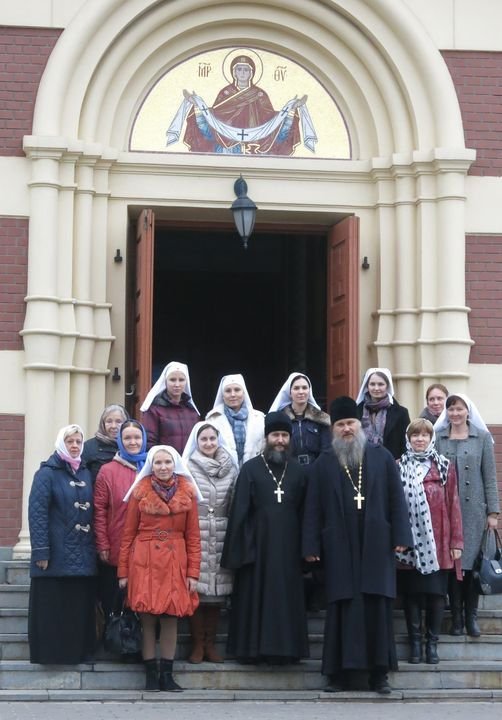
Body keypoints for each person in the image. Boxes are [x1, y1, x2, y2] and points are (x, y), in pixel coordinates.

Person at [303, 396, 412, 694]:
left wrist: (401, 536)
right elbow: (313, 507)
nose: (346, 429)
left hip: (377, 543)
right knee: (342, 606)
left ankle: (379, 676)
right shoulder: (323, 463)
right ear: (333, 429)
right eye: (340, 425)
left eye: (350, 423)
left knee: (377, 605)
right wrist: (310, 544)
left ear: (359, 424)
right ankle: (338, 676)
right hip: (339, 544)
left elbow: (396, 499)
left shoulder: (381, 457)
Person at [221, 411, 309, 664]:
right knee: (254, 597)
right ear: (267, 438)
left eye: (284, 435)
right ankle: (252, 651)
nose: (280, 440)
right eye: (275, 435)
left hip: (289, 547)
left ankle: (287, 652)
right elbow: (239, 511)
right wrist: (241, 548)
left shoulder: (299, 471)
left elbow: (306, 511)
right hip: (257, 547)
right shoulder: (251, 468)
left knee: (286, 598)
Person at [117, 445, 201, 692]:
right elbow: (128, 534)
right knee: (148, 619)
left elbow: (193, 537)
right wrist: (123, 572)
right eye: (158, 463)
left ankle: (167, 675)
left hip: (175, 561)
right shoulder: (139, 493)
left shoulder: (187, 493)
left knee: (170, 619)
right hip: (144, 561)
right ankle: (151, 676)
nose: (163, 467)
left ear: (175, 464)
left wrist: (193, 572)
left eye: (167, 462)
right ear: (151, 466)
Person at [28, 424, 97, 664]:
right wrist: (41, 551)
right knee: (53, 609)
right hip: (54, 554)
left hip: (82, 554)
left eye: (78, 441)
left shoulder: (86, 473)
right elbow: (37, 514)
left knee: (75, 608)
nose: (75, 446)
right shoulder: (46, 473)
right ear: (61, 443)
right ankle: (52, 656)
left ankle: (75, 654)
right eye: (70, 441)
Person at [396, 418, 463, 665]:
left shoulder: (444, 466)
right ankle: (415, 644)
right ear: (408, 439)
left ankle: (431, 644)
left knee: (436, 595)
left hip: (439, 543)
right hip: (409, 544)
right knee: (411, 595)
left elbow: (454, 504)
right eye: (415, 435)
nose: (420, 439)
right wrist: (397, 538)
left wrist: (456, 542)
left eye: (425, 435)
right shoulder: (398, 466)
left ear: (431, 438)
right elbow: (394, 506)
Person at [435, 394, 499, 637]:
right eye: (451, 409)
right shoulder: (438, 438)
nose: (455, 413)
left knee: (472, 564)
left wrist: (492, 512)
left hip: (474, 513)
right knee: (453, 565)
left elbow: (490, 477)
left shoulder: (481, 437)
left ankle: (471, 617)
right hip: (446, 511)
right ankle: (457, 618)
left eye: (459, 409)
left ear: (468, 411)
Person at [182, 421, 239, 663]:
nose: (208, 443)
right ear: (196, 442)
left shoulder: (231, 468)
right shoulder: (187, 466)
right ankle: (197, 644)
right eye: (203, 439)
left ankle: (210, 644)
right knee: (198, 591)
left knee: (217, 593)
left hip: (223, 532)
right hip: (198, 530)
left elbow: (235, 500)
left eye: (212, 438)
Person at [179, 54, 306, 156]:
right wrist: (198, 106)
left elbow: (273, 125)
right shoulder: (225, 94)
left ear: (251, 73)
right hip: (227, 149)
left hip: (255, 149)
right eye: (239, 69)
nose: (243, 73)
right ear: (234, 72)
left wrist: (290, 110)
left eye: (246, 70)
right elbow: (212, 125)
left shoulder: (260, 95)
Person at [93, 419, 148, 653]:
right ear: (120, 441)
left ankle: (141, 647)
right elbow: (99, 510)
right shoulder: (107, 471)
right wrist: (103, 543)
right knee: (116, 599)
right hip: (117, 545)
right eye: (127, 438)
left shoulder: (152, 466)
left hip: (148, 547)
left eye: (137, 437)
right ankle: (118, 645)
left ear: (144, 439)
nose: (133, 442)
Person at [269, 372, 331, 466]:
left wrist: (316, 468)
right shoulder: (280, 418)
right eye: (296, 388)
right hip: (288, 469)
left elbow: (326, 449)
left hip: (316, 469)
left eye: (304, 388)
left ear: (309, 391)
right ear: (290, 392)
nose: (301, 392)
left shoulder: (320, 418)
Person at [206, 373, 264, 468]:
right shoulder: (212, 419)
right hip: (223, 472)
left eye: (237, 390)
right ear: (222, 395)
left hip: (254, 471)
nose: (233, 394)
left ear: (243, 393)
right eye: (228, 391)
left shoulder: (259, 418)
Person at [141, 361, 200, 453]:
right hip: (164, 461)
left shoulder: (192, 411)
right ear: (165, 381)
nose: (177, 384)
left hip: (189, 461)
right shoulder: (154, 410)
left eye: (181, 380)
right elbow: (149, 442)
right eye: (172, 380)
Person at [356, 367, 410, 459]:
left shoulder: (401, 413)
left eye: (380, 384)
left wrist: (400, 461)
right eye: (372, 384)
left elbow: (406, 443)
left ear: (387, 386)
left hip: (391, 463)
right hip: (362, 462)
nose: (376, 388)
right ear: (367, 386)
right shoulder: (357, 410)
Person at [82, 404, 129, 483]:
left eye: (118, 421)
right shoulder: (89, 447)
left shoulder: (130, 446)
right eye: (109, 421)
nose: (113, 426)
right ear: (103, 424)